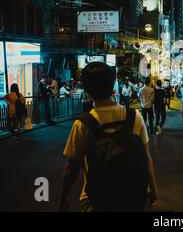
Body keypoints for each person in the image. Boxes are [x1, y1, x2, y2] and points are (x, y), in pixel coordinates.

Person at [57, 62, 159, 212]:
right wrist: (153, 189)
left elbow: (71, 169)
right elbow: (146, 157)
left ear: (87, 90)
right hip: (132, 198)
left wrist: (62, 199)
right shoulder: (134, 116)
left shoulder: (83, 124)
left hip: (96, 201)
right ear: (112, 85)